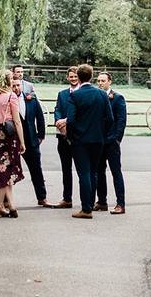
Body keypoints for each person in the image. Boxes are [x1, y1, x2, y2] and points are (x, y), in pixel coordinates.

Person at [61, 64, 113, 219]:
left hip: (80, 140)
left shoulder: (75, 96)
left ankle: (86, 208)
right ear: (91, 76)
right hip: (98, 139)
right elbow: (109, 118)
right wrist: (102, 134)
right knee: (93, 172)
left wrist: (70, 137)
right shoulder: (102, 95)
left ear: (79, 76)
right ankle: (89, 204)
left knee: (83, 173)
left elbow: (70, 121)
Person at [0, 69, 25, 218]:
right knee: (5, 170)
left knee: (1, 171)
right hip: (8, 136)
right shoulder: (11, 96)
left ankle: (10, 205)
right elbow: (17, 121)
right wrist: (22, 141)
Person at [13, 78, 53, 207]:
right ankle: (5, 200)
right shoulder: (7, 100)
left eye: (18, 85)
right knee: (7, 170)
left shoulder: (32, 99)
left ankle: (42, 198)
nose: (16, 88)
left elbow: (40, 117)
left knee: (36, 170)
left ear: (22, 86)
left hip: (31, 140)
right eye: (13, 86)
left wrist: (40, 136)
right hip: (13, 140)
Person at [95, 72, 127, 214]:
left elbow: (121, 120)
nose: (100, 83)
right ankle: (102, 201)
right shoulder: (96, 97)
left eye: (103, 81)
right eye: (98, 81)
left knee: (116, 172)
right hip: (98, 141)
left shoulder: (118, 98)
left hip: (112, 141)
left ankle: (120, 204)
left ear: (110, 82)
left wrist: (117, 139)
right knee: (99, 172)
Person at [52, 67, 79, 209]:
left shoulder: (83, 94)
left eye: (75, 76)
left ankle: (87, 199)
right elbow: (57, 109)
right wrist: (59, 121)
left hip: (78, 137)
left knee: (82, 170)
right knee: (66, 170)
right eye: (71, 77)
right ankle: (67, 198)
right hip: (62, 136)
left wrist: (66, 121)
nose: (73, 79)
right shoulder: (62, 94)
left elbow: (82, 114)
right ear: (67, 78)